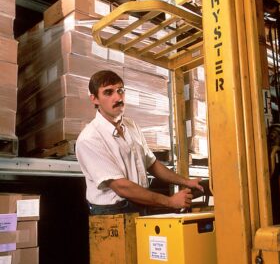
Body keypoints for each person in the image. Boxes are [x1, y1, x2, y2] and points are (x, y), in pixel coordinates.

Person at [76, 70, 203, 215]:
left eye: (120, 90)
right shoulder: (90, 138)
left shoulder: (131, 125)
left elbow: (152, 164)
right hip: (113, 213)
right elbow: (121, 187)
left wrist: (187, 182)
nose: (118, 97)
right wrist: (170, 201)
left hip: (140, 204)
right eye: (108, 92)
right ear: (94, 99)